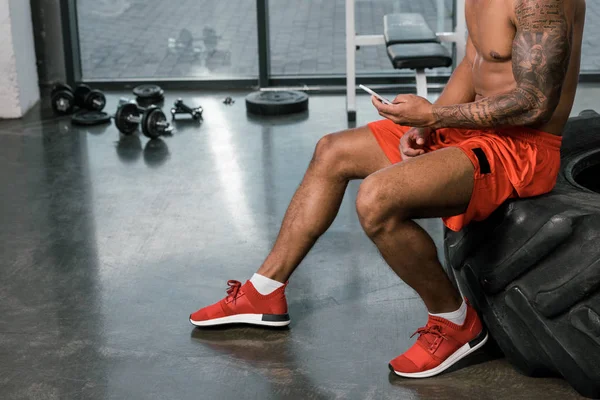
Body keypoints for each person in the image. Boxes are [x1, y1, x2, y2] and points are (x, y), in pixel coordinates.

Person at [190, 0, 586, 378]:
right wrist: (429, 126)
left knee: (377, 198)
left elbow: (535, 102)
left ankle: (456, 324)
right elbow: (473, 61)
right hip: (473, 128)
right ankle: (264, 291)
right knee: (333, 151)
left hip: (520, 148)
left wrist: (434, 113)